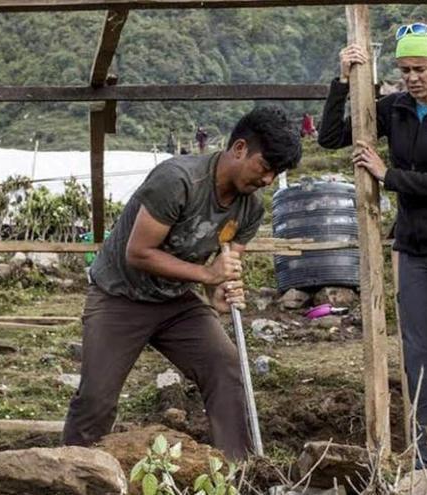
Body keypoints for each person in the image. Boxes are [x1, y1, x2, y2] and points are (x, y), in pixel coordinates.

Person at [63, 106, 301, 460]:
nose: (267, 180)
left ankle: (237, 472)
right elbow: (139, 252)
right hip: (120, 295)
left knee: (225, 367)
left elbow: (225, 268)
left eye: (275, 173)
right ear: (239, 149)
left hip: (176, 301)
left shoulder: (250, 208)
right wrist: (207, 275)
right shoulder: (178, 180)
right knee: (97, 397)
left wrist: (219, 290)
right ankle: (71, 473)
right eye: (264, 168)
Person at [318, 23, 427, 468]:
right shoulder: (394, 108)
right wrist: (343, 80)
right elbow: (332, 136)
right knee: (418, 356)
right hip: (413, 248)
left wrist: (387, 175)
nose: (412, 77)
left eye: (420, 68)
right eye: (404, 69)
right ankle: (426, 459)